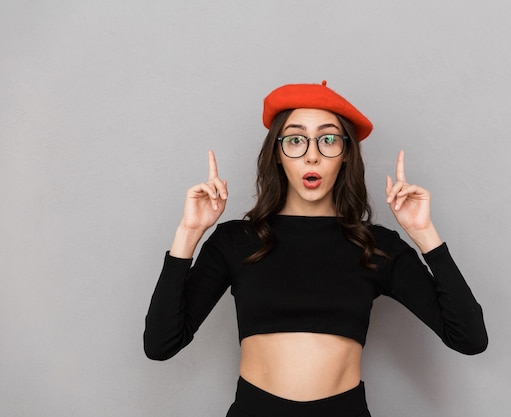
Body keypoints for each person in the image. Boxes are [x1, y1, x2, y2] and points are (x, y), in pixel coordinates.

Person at [144, 80, 488, 417]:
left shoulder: (375, 246)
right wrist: (188, 234)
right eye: (295, 140)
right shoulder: (236, 241)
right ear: (278, 154)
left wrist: (424, 233)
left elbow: (468, 338)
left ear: (346, 154)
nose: (312, 156)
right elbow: (161, 344)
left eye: (328, 140)